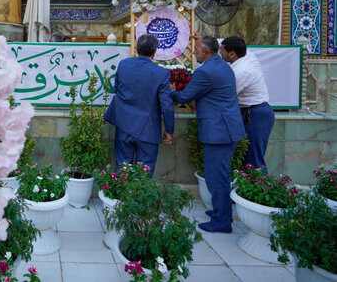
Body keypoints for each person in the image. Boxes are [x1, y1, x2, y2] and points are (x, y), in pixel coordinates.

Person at [171, 36, 245, 233]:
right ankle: (221, 212)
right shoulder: (223, 66)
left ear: (204, 51)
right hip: (227, 129)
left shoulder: (206, 71)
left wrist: (170, 91)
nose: (194, 52)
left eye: (196, 49)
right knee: (220, 175)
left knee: (216, 178)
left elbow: (186, 96)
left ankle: (222, 222)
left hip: (219, 132)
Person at [104, 34, 174, 176]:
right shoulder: (161, 73)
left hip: (124, 125)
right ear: (154, 52)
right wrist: (169, 129)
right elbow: (166, 105)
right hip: (148, 129)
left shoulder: (124, 65)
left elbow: (117, 88)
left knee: (123, 170)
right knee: (143, 174)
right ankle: (137, 199)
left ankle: (122, 197)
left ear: (136, 49)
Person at [220, 36, 274, 173]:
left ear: (232, 54)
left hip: (256, 114)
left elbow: (225, 96)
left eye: (222, 51)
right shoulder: (247, 55)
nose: (220, 53)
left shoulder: (241, 72)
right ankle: (246, 192)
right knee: (246, 158)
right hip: (250, 112)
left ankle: (260, 191)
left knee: (253, 159)